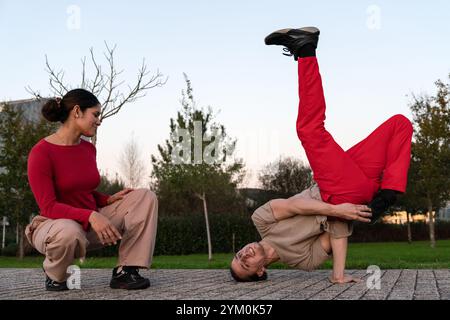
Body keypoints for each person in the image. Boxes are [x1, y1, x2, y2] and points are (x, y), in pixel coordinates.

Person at [230, 26, 413, 283]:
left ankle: (391, 192)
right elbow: (337, 231)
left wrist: (339, 209)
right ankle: (305, 49)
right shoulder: (304, 261)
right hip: (343, 194)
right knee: (309, 129)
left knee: (400, 124)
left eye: (238, 255)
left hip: (340, 188)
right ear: (261, 271)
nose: (244, 255)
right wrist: (337, 274)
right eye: (245, 263)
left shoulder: (261, 220)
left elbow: (294, 205)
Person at [25, 88, 158, 291]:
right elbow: (49, 206)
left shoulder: (88, 148)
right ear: (77, 111)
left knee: (144, 197)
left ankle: (126, 272)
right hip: (55, 227)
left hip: (88, 225)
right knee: (69, 232)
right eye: (95, 114)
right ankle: (55, 274)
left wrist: (105, 200)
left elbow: (80, 190)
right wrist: (92, 216)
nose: (99, 120)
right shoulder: (41, 152)